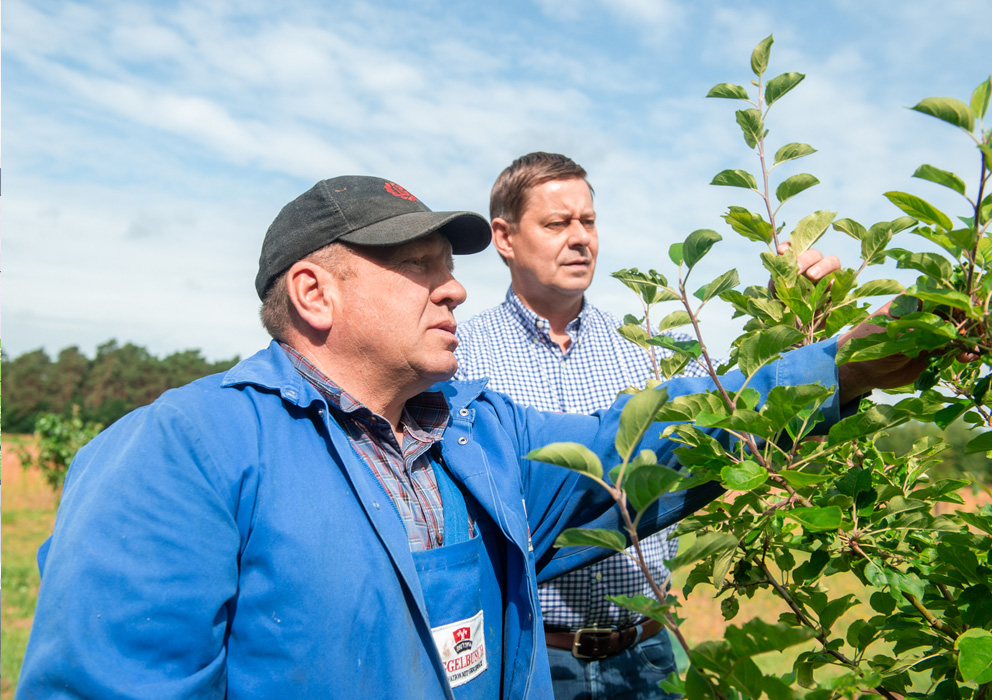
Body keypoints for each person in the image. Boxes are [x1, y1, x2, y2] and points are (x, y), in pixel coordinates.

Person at [17, 175, 917, 700]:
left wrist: (840, 368)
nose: (451, 292)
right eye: (416, 270)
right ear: (313, 294)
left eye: (450, 273)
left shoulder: (479, 433)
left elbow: (636, 451)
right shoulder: (185, 449)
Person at [453, 153, 840, 699]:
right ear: (505, 237)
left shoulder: (649, 350)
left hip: (647, 654)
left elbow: (733, 409)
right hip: (533, 657)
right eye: (557, 223)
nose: (580, 238)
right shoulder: (462, 359)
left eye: (587, 221)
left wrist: (792, 318)